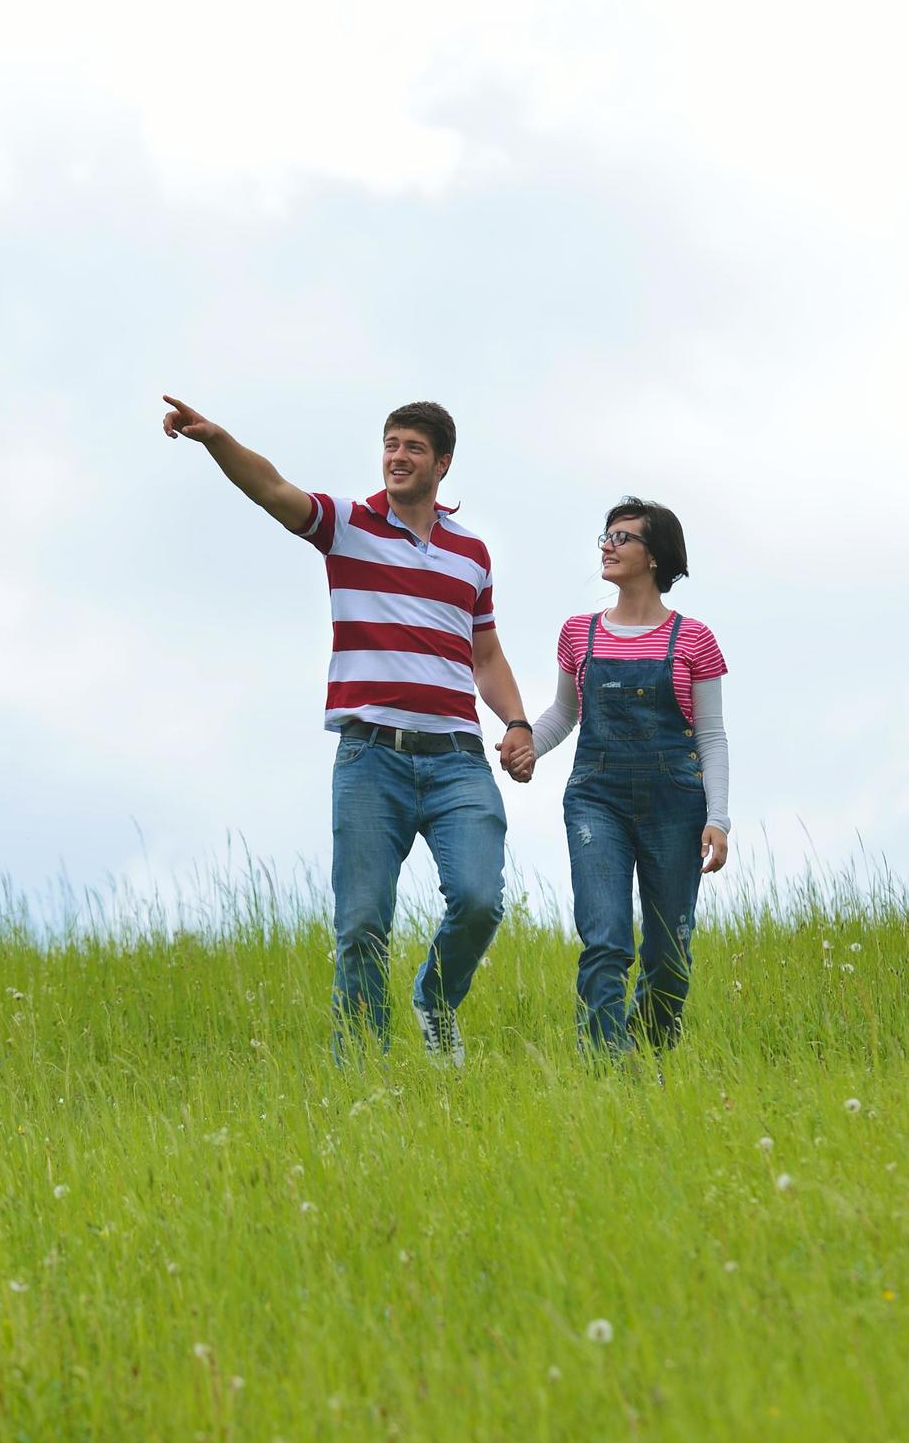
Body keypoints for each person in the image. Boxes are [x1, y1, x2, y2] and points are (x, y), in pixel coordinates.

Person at [160, 394, 537, 1060]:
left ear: (442, 463)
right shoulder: (347, 525)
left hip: (457, 759)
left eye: (413, 447)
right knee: (361, 924)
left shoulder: (471, 555)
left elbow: (484, 653)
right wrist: (217, 440)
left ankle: (434, 1001)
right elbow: (273, 490)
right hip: (371, 759)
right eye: (390, 444)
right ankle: (363, 1072)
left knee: (479, 900)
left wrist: (515, 721)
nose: (397, 456)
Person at [527, 498, 730, 1052]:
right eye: (606, 537)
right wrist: (528, 745)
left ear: (655, 555)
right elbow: (565, 714)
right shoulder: (578, 633)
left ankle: (649, 1059)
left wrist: (719, 819)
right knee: (605, 941)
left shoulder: (694, 639)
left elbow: (710, 736)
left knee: (669, 952)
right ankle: (607, 1072)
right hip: (597, 799)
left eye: (622, 538)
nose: (608, 547)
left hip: (677, 805)